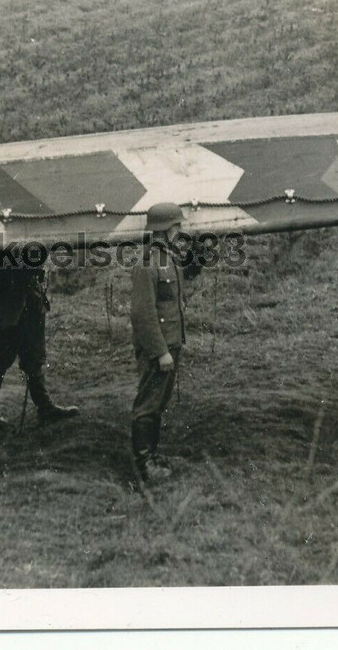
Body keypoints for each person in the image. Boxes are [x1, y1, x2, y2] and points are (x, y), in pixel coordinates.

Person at [129, 202, 199, 483]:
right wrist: (159, 352)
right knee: (148, 405)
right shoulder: (147, 264)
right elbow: (142, 314)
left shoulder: (167, 258)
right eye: (177, 227)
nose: (179, 231)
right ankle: (144, 465)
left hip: (170, 343)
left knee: (158, 404)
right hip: (159, 347)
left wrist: (197, 258)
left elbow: (183, 283)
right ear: (165, 230)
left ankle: (152, 456)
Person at [0, 262, 79, 429]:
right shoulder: (0, 240)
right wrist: (16, 265)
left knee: (34, 358)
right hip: (11, 307)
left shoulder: (34, 239)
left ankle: (45, 408)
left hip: (33, 303)